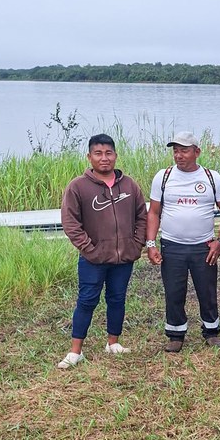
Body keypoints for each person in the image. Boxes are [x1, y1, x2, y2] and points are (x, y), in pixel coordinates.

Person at [58, 134, 147, 368]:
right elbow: (70, 223)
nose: (104, 158)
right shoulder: (78, 187)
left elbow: (142, 216)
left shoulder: (129, 185)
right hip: (93, 259)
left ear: (115, 156)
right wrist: (90, 250)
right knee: (87, 301)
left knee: (117, 299)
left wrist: (136, 244)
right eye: (98, 153)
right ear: (89, 157)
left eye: (108, 153)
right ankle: (75, 352)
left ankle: (113, 343)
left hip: (123, 258)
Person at [146, 132, 220, 353]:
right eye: (175, 150)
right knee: (174, 291)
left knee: (207, 290)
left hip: (203, 246)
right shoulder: (163, 177)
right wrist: (151, 243)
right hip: (172, 245)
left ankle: (211, 331)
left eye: (184, 150)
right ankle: (176, 334)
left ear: (197, 152)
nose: (179, 155)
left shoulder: (212, 178)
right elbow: (154, 213)